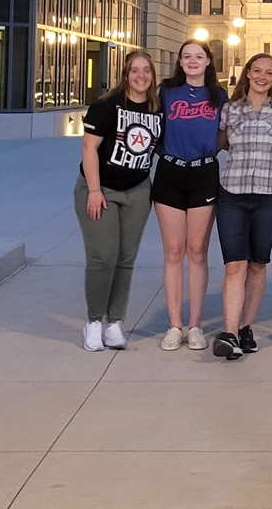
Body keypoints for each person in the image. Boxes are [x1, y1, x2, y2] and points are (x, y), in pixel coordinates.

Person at [75, 50, 162, 352]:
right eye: (135, 70)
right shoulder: (106, 106)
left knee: (125, 259)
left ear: (153, 76)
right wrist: (95, 190)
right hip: (101, 189)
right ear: (125, 75)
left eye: (146, 71)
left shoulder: (157, 109)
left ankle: (115, 322)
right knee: (103, 257)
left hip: (138, 190)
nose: (141, 76)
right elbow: (89, 149)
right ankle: (94, 321)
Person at [211, 53, 272, 360]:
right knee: (235, 264)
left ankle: (246, 327)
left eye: (269, 72)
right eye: (257, 70)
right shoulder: (229, 110)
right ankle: (229, 332)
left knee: (258, 263)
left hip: (269, 195)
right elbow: (217, 144)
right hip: (232, 192)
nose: (262, 76)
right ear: (247, 74)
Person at [151, 39, 227, 352]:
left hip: (204, 173)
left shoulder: (218, 95)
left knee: (197, 251)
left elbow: (228, 132)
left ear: (209, 61)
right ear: (180, 62)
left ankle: (195, 325)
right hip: (170, 172)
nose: (192, 61)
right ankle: (174, 324)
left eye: (199, 56)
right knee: (173, 250)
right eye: (187, 57)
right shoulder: (167, 91)